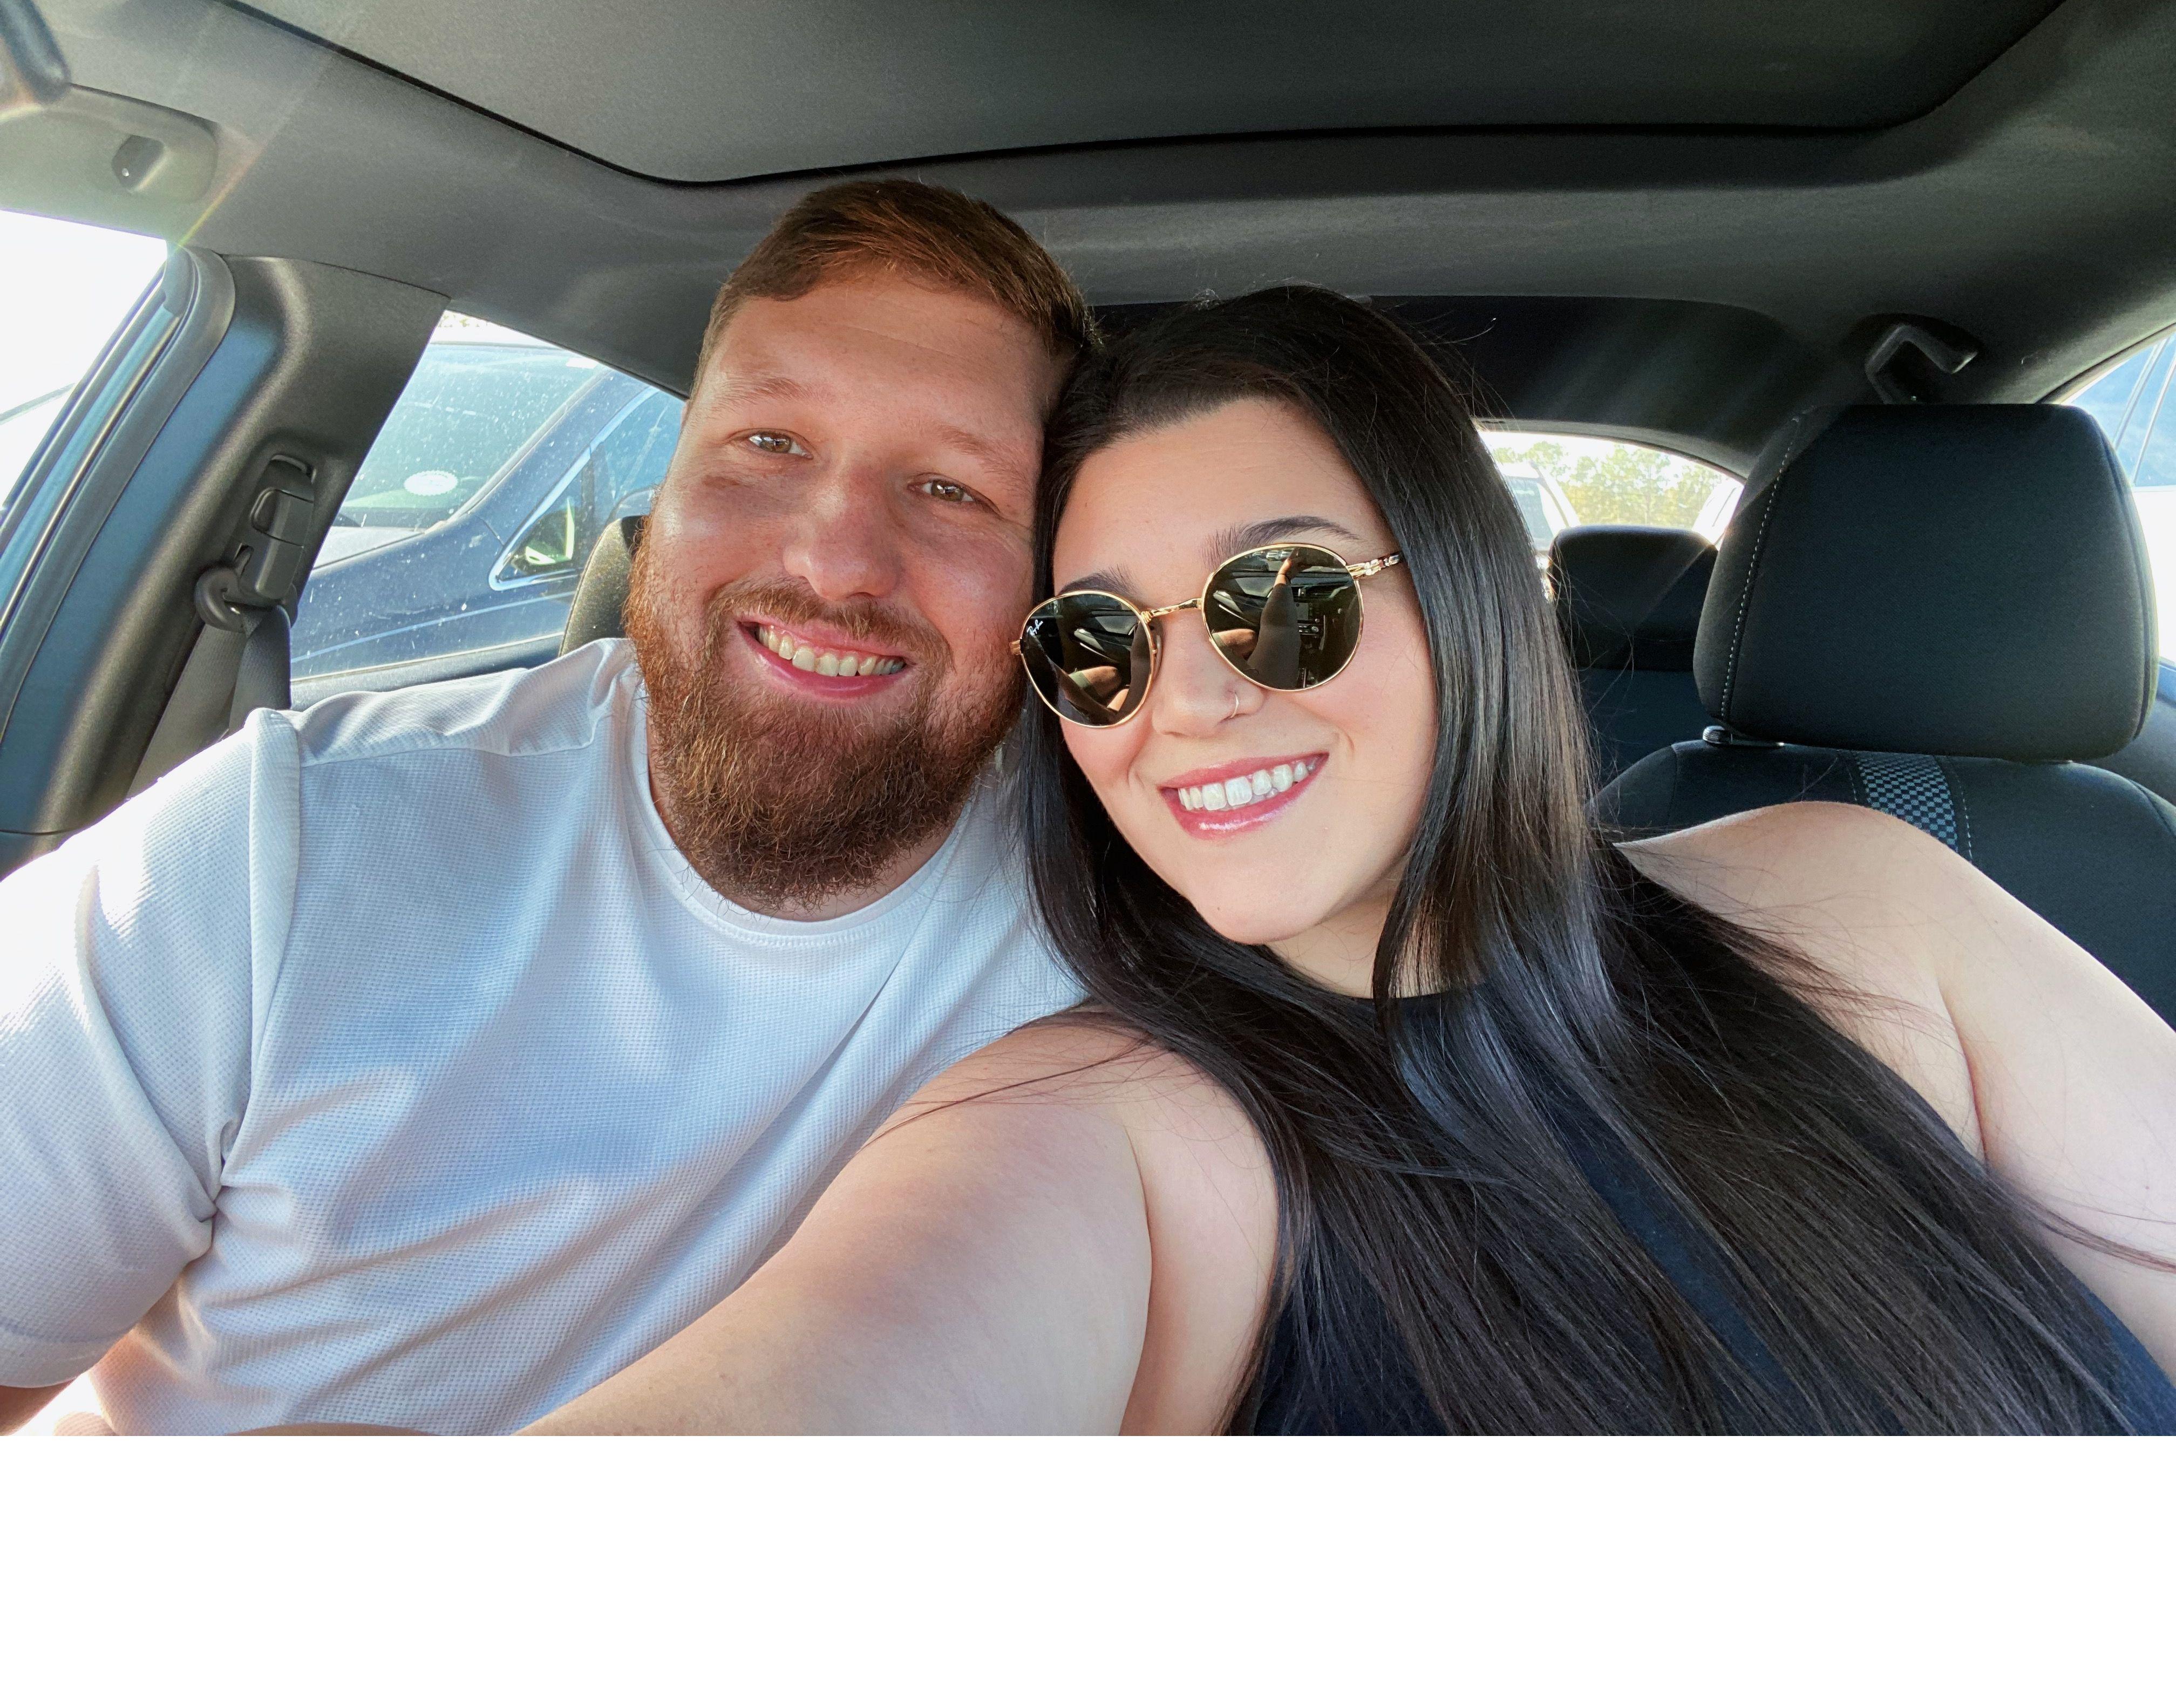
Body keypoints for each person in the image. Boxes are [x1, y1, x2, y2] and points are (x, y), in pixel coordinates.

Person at [525, 285, 2176, 1434]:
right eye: (1099, 643)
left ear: (1465, 593)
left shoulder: (1864, 901)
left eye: (1283, 601)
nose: (1186, 701)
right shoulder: (1108, 1132)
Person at [0, 179, 1091, 1435]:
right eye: (770, 445)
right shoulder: (279, 847)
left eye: (952, 489)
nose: (836, 560)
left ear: (1053, 577)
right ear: (663, 489)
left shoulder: (1123, 911)